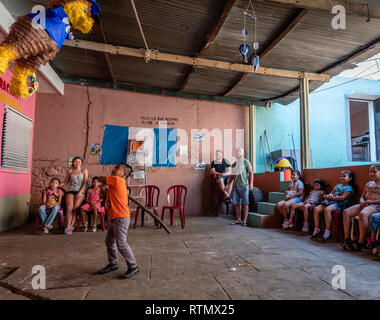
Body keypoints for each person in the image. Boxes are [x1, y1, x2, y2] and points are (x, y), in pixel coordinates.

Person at [97, 164, 139, 279]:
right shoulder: (114, 184)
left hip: (121, 218)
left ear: (124, 174)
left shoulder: (117, 180)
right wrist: (104, 190)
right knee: (109, 241)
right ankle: (113, 263)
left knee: (121, 243)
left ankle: (133, 266)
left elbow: (100, 179)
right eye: (115, 167)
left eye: (117, 168)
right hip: (114, 217)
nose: (114, 169)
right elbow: (106, 195)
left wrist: (95, 179)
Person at [342, 165, 380, 251]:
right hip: (366, 203)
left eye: (374, 172)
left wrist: (372, 202)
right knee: (346, 212)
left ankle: (361, 242)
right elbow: (362, 196)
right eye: (370, 172)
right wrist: (362, 201)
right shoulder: (369, 183)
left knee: (363, 214)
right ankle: (347, 239)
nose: (372, 173)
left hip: (376, 205)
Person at [311, 170, 354, 242]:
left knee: (327, 210)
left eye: (344, 176)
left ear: (350, 178)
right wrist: (329, 195)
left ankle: (327, 231)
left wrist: (332, 197)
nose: (342, 178)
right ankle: (317, 228)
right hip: (330, 201)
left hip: (339, 203)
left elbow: (342, 198)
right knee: (316, 209)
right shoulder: (337, 185)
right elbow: (331, 193)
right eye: (341, 176)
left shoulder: (349, 188)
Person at [60, 156, 88, 235]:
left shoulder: (84, 170)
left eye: (79, 162)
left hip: (81, 191)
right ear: (72, 163)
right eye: (75, 162)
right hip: (71, 190)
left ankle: (71, 226)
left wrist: (80, 192)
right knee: (69, 208)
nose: (77, 163)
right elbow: (65, 182)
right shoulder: (70, 170)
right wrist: (57, 185)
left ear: (81, 163)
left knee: (75, 208)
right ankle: (68, 225)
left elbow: (85, 182)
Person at [227, 147, 254, 227]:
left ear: (242, 153)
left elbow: (251, 173)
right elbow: (232, 176)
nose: (238, 152)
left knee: (245, 203)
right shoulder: (234, 164)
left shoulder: (246, 162)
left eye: (240, 151)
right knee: (237, 204)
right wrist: (228, 184)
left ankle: (244, 221)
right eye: (237, 151)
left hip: (244, 186)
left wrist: (251, 184)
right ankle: (238, 219)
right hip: (235, 186)